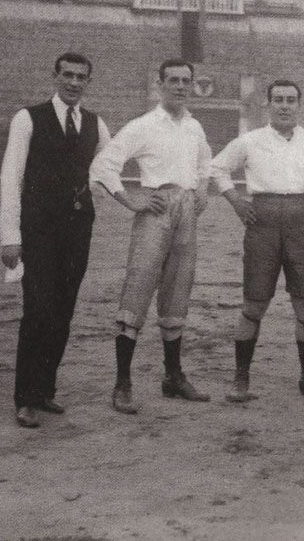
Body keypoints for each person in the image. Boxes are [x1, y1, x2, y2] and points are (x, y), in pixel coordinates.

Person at [210, 79, 304, 403]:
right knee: (254, 303)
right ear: (268, 104)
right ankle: (241, 378)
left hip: (301, 221)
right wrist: (235, 199)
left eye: (291, 100)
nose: (285, 105)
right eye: (279, 100)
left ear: (299, 105)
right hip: (261, 221)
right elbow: (217, 168)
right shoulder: (250, 140)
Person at [90, 59, 212, 414]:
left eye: (185, 81)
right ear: (160, 85)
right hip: (155, 210)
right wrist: (131, 200)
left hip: (186, 211)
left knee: (178, 292)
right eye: (172, 80)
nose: (179, 86)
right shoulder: (143, 125)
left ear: (191, 85)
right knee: (138, 289)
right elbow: (103, 165)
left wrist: (202, 188)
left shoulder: (194, 126)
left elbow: (205, 163)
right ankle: (123, 383)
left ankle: (173, 377)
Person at [0, 52, 111, 428]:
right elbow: (11, 178)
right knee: (38, 310)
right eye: (68, 75)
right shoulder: (27, 118)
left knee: (63, 310)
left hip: (77, 231)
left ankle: (45, 390)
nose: (74, 83)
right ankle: (25, 398)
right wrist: (10, 236)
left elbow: (108, 170)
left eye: (81, 77)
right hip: (38, 230)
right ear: (55, 76)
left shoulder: (96, 123)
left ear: (88, 82)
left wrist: (131, 198)